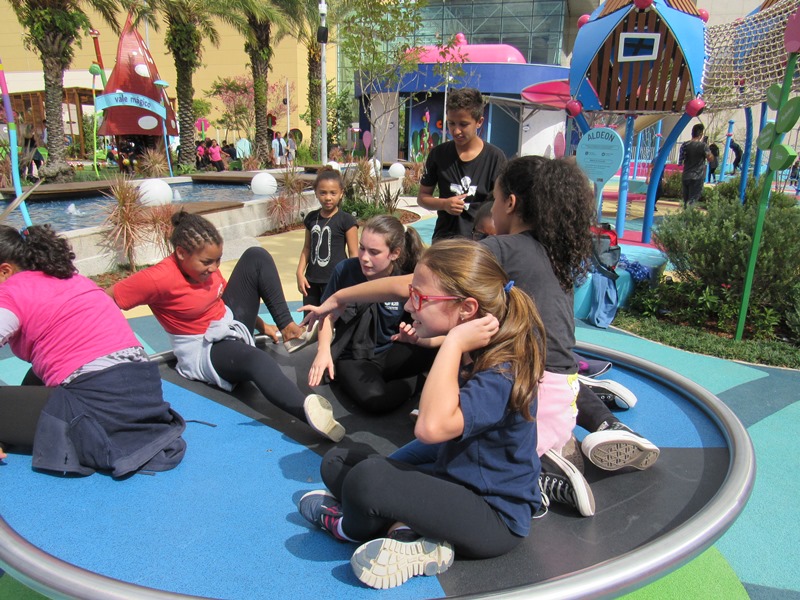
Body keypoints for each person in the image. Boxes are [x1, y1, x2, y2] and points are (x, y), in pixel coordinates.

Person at [304, 157, 659, 508]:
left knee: (444, 465)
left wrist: (338, 297)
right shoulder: (553, 253)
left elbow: (408, 285)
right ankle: (588, 431)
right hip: (563, 391)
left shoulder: (501, 250)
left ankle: (541, 472)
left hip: (533, 398)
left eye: (496, 196)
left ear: (510, 203)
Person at [298, 240, 546, 589]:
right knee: (338, 463)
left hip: (493, 516)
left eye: (420, 298)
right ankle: (410, 533)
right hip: (452, 474)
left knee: (367, 481)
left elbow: (429, 429)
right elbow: (429, 443)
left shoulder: (501, 372)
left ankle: (347, 528)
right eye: (411, 293)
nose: (409, 306)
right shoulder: (478, 342)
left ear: (467, 309)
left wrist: (454, 342)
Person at [108, 211, 344, 442]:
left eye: (218, 260)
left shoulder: (204, 268)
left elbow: (221, 299)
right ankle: (309, 413)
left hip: (227, 322)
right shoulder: (156, 278)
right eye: (207, 262)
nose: (214, 268)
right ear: (181, 253)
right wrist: (122, 348)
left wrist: (261, 325)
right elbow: (103, 300)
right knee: (256, 360)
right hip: (203, 347)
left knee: (256, 256)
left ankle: (289, 329)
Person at [0, 224, 186, 476]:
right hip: (145, 401)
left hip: (96, 412)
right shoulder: (72, 279)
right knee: (38, 374)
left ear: (5, 271)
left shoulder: (10, 291)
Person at [308, 215, 435, 415]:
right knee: (375, 402)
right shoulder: (345, 271)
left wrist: (412, 335)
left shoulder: (404, 279)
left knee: (439, 348)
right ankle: (417, 383)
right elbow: (327, 315)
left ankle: (418, 380)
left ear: (395, 253)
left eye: (374, 252)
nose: (364, 257)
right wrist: (323, 351)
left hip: (391, 350)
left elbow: (424, 321)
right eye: (362, 248)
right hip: (354, 357)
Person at [417, 88, 506, 241]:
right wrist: (444, 204)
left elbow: (503, 204)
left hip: (481, 243)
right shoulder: (438, 154)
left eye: (463, 124)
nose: (456, 131)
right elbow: (423, 197)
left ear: (479, 122)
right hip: (445, 240)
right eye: (451, 123)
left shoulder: (495, 158)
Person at [296, 168, 358, 317]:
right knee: (310, 318)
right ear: (316, 193)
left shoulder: (346, 220)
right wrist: (299, 273)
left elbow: (354, 253)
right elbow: (307, 248)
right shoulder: (311, 218)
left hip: (335, 280)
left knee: (332, 319)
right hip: (311, 281)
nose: (328, 198)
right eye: (323, 193)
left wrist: (352, 280)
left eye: (333, 193)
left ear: (341, 193)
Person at [679, 124, 714, 208]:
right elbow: (710, 159)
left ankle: (685, 215)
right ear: (701, 134)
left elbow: (681, 161)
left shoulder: (684, 145)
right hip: (697, 176)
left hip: (686, 175)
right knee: (693, 200)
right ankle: (689, 214)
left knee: (686, 201)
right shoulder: (703, 146)